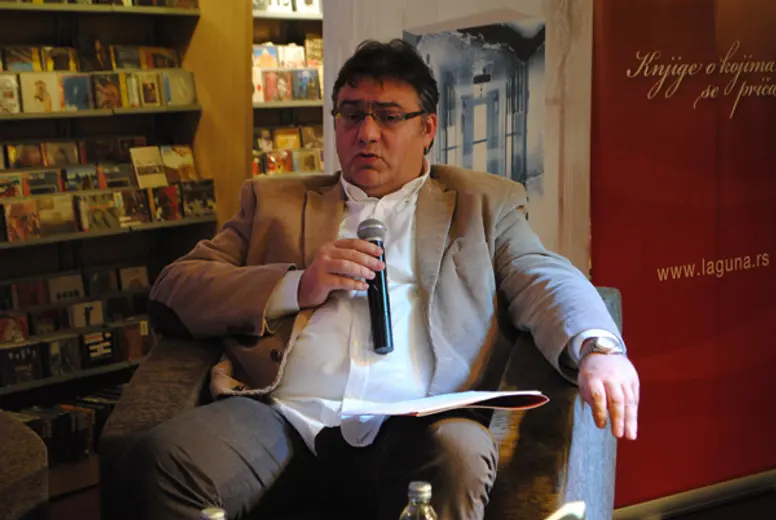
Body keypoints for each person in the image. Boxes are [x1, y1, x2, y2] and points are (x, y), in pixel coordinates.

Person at [123, 39, 640, 520]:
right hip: (286, 416)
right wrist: (297, 286)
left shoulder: (484, 205)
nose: (366, 133)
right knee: (163, 459)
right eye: (352, 115)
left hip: (414, 425)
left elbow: (542, 275)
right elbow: (177, 286)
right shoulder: (272, 203)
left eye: (389, 117)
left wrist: (597, 348)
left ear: (428, 128)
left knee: (460, 454)